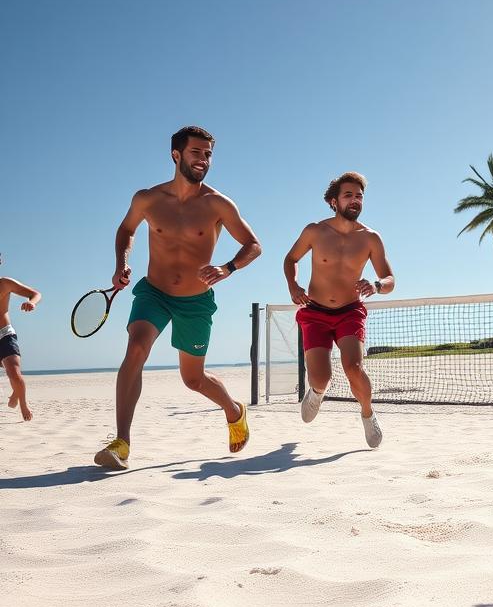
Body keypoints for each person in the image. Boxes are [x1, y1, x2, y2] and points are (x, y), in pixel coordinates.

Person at [93, 126, 261, 470]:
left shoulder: (218, 203)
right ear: (176, 155)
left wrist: (227, 268)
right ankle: (121, 442)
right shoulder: (148, 199)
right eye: (197, 153)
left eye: (208, 154)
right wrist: (122, 264)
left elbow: (253, 245)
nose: (203, 160)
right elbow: (126, 230)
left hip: (196, 301)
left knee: (193, 380)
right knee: (136, 347)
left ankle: (233, 409)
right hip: (153, 292)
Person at [283, 171, 394, 448]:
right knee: (321, 377)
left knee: (353, 367)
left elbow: (390, 280)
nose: (355, 200)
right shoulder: (315, 231)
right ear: (334, 201)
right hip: (315, 311)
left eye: (359, 196)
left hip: (350, 311)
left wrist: (377, 285)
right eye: (348, 195)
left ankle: (367, 414)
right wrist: (293, 285)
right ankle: (317, 392)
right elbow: (291, 258)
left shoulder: (371, 238)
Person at [0, 256, 42, 422]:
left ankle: (23, 403)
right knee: (12, 376)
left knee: (15, 375)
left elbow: (36, 294)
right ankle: (15, 391)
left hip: (4, 334)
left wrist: (32, 302)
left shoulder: (4, 284)